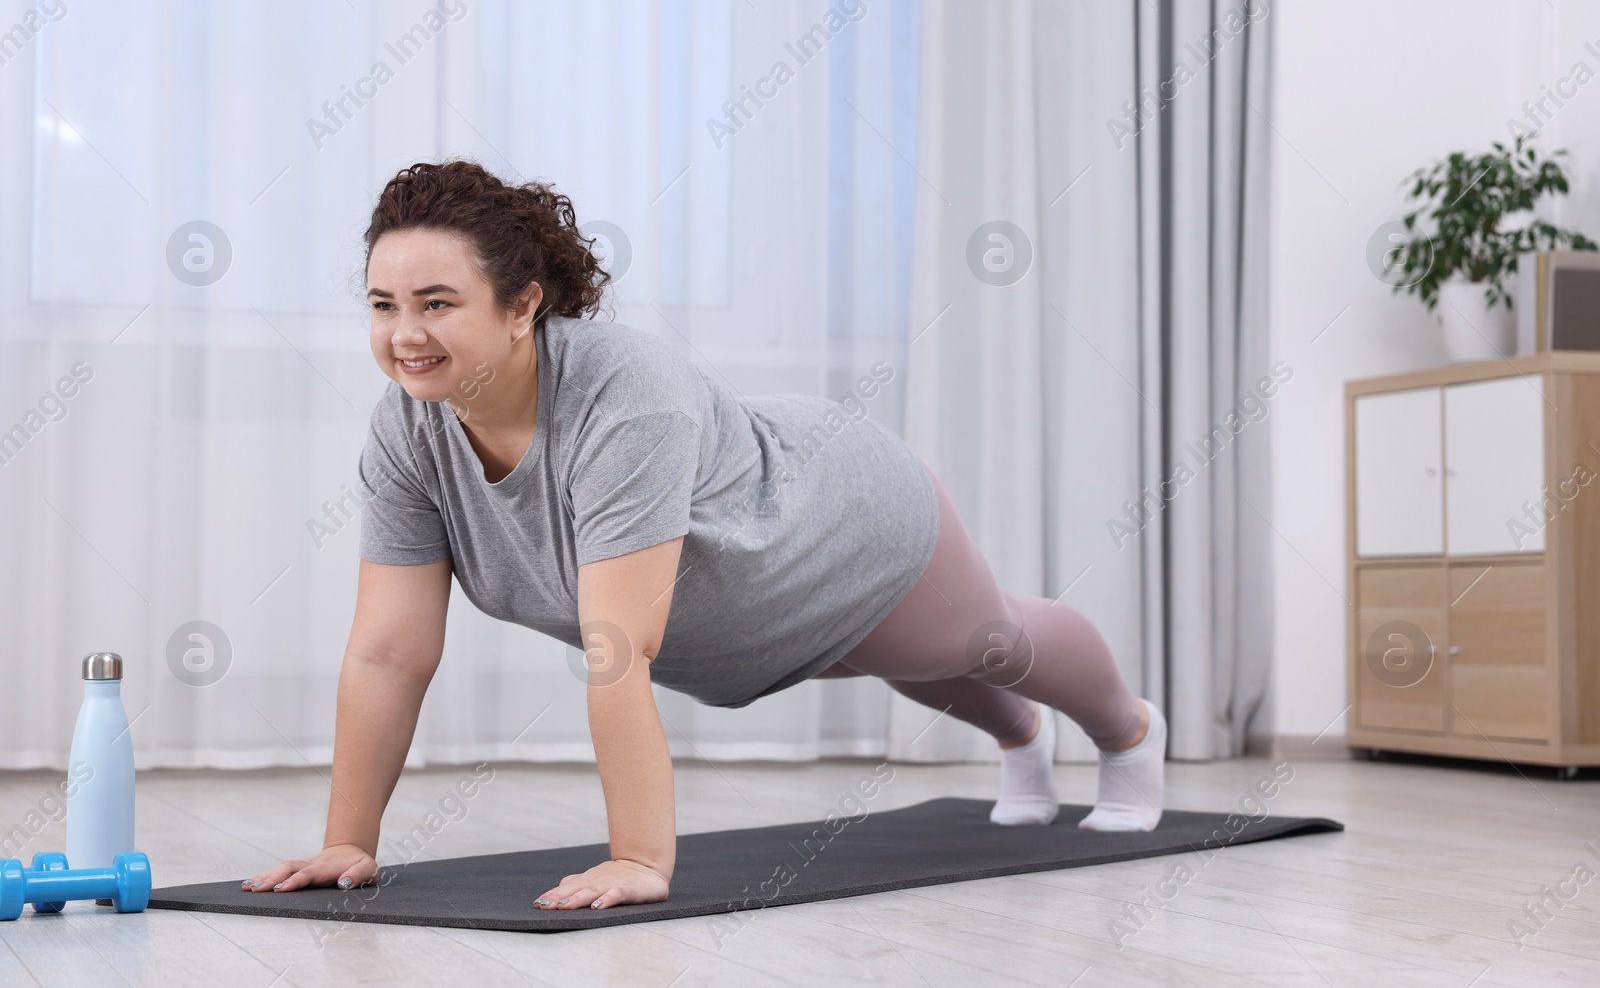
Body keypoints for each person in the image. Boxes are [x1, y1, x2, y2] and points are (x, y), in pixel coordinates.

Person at [243, 161, 1166, 912]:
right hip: (729, 629)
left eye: (436, 303)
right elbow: (388, 655)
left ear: (523, 305)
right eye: (381, 304)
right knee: (909, 668)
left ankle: (1127, 733)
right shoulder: (408, 430)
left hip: (829, 525)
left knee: (978, 641)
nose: (404, 334)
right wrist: (348, 842)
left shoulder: (622, 396)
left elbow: (614, 648)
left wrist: (641, 857)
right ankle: (1023, 742)